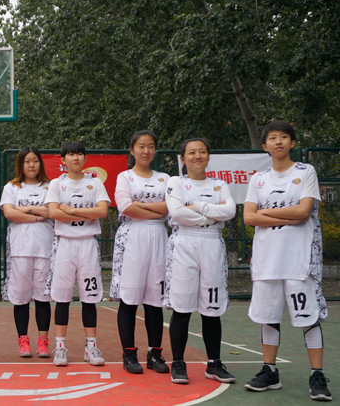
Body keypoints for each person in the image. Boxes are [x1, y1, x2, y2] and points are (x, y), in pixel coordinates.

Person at [242, 121, 331, 401]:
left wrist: (265, 214)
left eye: (283, 137)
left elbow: (304, 212)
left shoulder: (305, 171)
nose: (278, 141)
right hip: (267, 259)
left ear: (292, 143)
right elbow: (248, 217)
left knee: (308, 317)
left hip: (299, 259)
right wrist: (284, 216)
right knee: (268, 316)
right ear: (264, 146)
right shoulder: (258, 179)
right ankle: (270, 371)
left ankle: (317, 375)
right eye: (272, 138)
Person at [164, 137, 236, 385]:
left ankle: (214, 364)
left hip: (212, 244)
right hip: (184, 244)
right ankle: (178, 363)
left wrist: (197, 206)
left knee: (211, 309)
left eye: (202, 152)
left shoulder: (219, 184)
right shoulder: (176, 182)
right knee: (182, 308)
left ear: (208, 156)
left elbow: (230, 211)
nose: (197, 156)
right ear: (182, 158)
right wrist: (211, 217)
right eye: (192, 152)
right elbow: (177, 212)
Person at [111, 131, 170, 374]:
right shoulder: (125, 177)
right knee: (129, 298)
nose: (146, 151)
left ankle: (155, 353)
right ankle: (129, 354)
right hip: (132, 237)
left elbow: (172, 207)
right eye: (141, 146)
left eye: (151, 146)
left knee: (155, 300)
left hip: (159, 237)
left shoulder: (165, 178)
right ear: (132, 150)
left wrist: (141, 206)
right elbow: (126, 207)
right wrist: (157, 209)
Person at [45, 141, 110, 367]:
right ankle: (60, 347)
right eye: (71, 155)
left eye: (80, 154)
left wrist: (72, 211)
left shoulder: (95, 183)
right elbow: (54, 213)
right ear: (63, 160)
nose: (76, 158)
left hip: (88, 244)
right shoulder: (57, 184)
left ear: (85, 158)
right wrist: (87, 215)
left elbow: (102, 211)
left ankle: (91, 347)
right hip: (64, 244)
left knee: (89, 298)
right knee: (62, 298)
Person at [0, 147, 54, 358]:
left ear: (40, 163)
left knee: (43, 297)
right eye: (27, 161)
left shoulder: (50, 187)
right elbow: (9, 213)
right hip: (20, 249)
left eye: (35, 161)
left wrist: (23, 209)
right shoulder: (11, 187)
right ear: (20, 164)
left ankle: (43, 341)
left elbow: (52, 211)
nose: (31, 165)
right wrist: (38, 215)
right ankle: (23, 341)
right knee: (21, 297)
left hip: (44, 248)